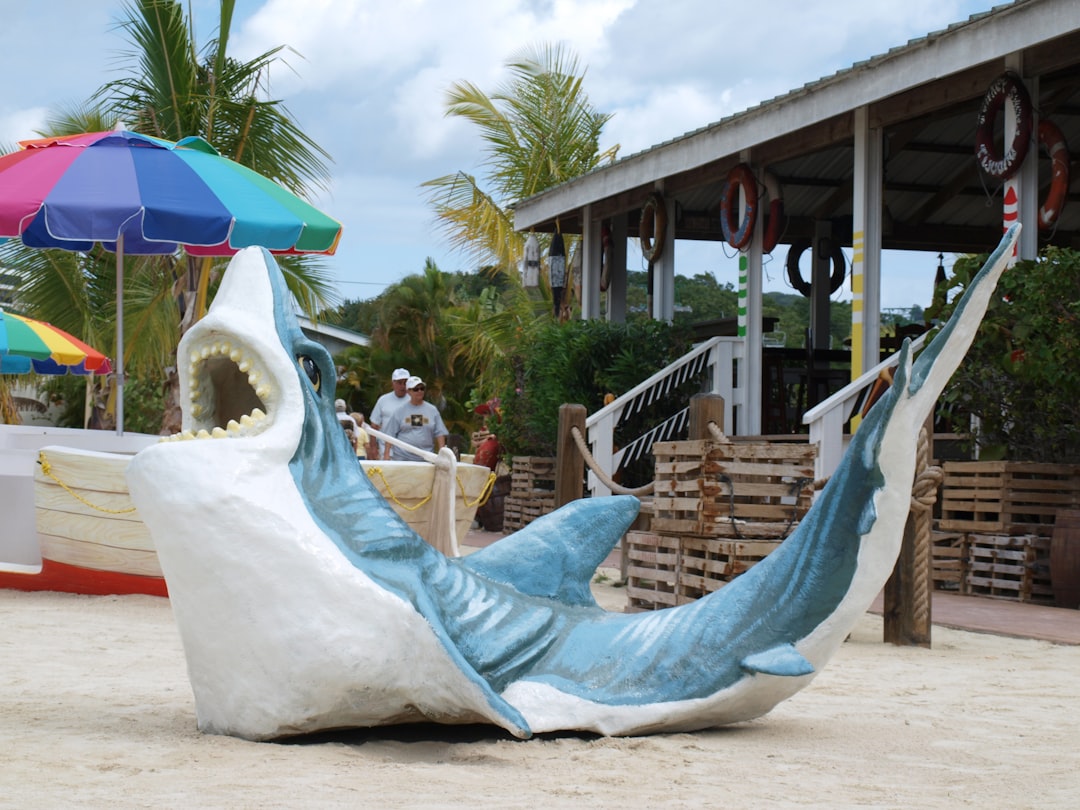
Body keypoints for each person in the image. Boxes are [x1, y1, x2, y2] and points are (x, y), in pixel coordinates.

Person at [381, 376, 447, 461]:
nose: (419, 391)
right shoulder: (400, 411)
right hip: (402, 458)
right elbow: (390, 434)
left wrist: (442, 455)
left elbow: (440, 433)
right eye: (416, 389)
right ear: (408, 391)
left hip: (426, 458)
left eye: (422, 388)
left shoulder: (432, 410)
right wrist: (386, 455)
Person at [370, 368, 410, 457]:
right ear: (393, 383)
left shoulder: (414, 401)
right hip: (386, 451)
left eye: (405, 383)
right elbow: (374, 425)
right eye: (399, 383)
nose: (402, 386)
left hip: (408, 450)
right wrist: (373, 447)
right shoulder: (383, 400)